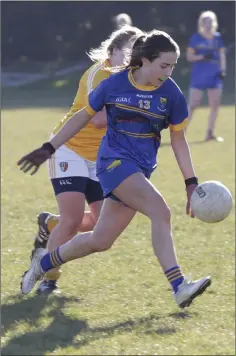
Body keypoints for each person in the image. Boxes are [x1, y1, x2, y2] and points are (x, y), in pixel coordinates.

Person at [18, 30, 211, 309]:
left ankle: (44, 261)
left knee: (101, 239)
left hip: (140, 169)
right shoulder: (114, 84)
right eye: (163, 66)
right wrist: (49, 147)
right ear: (144, 61)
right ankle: (179, 285)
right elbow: (81, 118)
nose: (169, 73)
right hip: (113, 164)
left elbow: (179, 140)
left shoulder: (171, 94)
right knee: (161, 211)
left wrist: (191, 181)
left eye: (173, 66)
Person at [29, 25, 143, 295]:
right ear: (113, 51)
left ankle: (49, 224)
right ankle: (48, 279)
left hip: (98, 159)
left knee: (97, 224)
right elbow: (99, 118)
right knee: (72, 221)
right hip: (69, 149)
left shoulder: (133, 79)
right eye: (128, 53)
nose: (132, 60)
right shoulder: (98, 74)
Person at [186, 10, 226, 142]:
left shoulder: (217, 37)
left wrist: (222, 70)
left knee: (215, 105)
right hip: (199, 76)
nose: (208, 24)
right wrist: (201, 56)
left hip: (214, 76)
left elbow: (221, 55)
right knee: (193, 105)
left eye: (210, 22)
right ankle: (180, 133)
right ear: (202, 23)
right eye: (205, 22)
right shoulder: (196, 38)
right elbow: (189, 56)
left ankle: (210, 133)